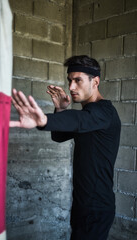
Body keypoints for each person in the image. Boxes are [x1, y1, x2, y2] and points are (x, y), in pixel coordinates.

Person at [10, 55, 121, 240]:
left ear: (95, 82)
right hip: (82, 203)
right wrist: (60, 110)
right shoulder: (89, 116)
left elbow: (77, 120)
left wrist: (43, 119)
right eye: (70, 80)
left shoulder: (104, 112)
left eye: (78, 80)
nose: (71, 88)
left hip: (96, 207)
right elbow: (59, 136)